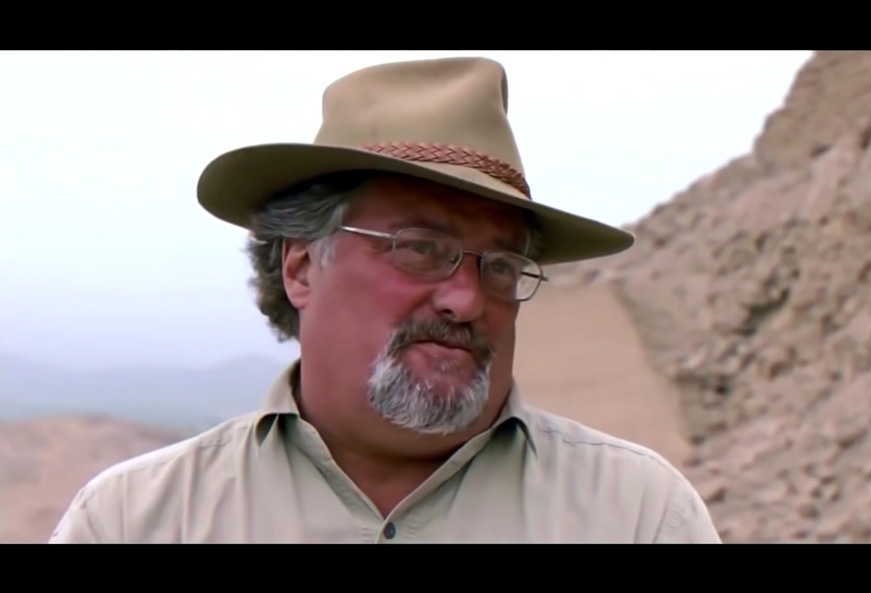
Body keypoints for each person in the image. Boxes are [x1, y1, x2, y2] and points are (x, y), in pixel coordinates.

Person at [47, 56, 722, 543]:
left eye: (501, 265)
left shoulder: (637, 514)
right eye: (421, 248)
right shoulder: (135, 519)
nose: (466, 299)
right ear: (302, 267)